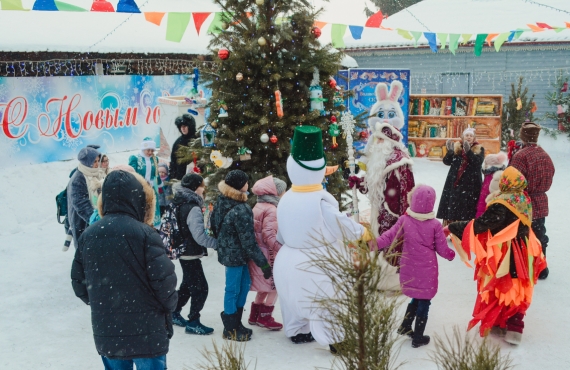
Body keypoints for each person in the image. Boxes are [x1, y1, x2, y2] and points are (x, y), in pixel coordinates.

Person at [274, 126, 371, 352]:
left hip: (287, 260)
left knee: (292, 301)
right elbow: (340, 225)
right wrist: (362, 233)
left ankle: (296, 330)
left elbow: (280, 234)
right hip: (316, 261)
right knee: (327, 301)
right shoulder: (319, 201)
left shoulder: (286, 198)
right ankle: (335, 338)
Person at [71, 170, 178, 370]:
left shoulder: (89, 235)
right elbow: (165, 283)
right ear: (138, 199)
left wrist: (104, 302)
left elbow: (79, 283)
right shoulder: (146, 234)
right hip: (148, 331)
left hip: (108, 332)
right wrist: (168, 307)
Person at [447, 166, 546, 345]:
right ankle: (514, 326)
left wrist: (456, 226)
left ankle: (500, 323)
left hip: (504, 252)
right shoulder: (523, 199)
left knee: (501, 284)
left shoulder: (502, 202)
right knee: (518, 286)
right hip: (523, 250)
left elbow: (483, 224)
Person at [373, 185, 455, 348]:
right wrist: (451, 254)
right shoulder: (435, 225)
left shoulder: (405, 220)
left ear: (413, 200)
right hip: (427, 268)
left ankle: (405, 326)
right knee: (424, 300)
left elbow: (390, 236)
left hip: (409, 265)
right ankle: (418, 336)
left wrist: (374, 244)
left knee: (416, 296)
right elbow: (442, 249)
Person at [210, 170, 272, 341]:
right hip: (235, 256)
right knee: (233, 289)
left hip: (232, 253)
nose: (248, 184)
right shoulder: (241, 209)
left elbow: (214, 225)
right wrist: (264, 264)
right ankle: (230, 328)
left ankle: (236, 323)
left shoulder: (222, 200)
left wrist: (224, 242)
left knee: (244, 285)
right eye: (246, 181)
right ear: (239, 185)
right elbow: (248, 242)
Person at [170, 173, 217, 335]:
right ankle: (193, 321)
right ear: (195, 187)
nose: (204, 189)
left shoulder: (179, 201)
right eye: (202, 186)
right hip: (189, 252)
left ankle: (173, 312)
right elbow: (200, 236)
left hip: (183, 250)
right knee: (201, 288)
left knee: (188, 285)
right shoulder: (193, 207)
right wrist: (217, 244)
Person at [510, 122, 555, 280]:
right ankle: (541, 267)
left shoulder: (521, 156)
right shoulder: (544, 154)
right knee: (539, 234)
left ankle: (521, 267)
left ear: (523, 136)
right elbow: (551, 174)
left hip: (523, 201)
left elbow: (512, 179)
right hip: (541, 200)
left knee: (521, 235)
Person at [247, 176, 287, 331]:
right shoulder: (271, 209)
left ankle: (254, 314)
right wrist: (281, 248)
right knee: (275, 286)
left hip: (260, 252)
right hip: (268, 253)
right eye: (283, 190)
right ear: (275, 192)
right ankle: (265, 316)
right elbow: (269, 235)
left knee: (265, 286)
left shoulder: (259, 205)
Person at [437, 128, 485, 225]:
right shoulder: (457, 148)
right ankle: (452, 226)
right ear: (462, 137)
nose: (469, 137)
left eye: (471, 136)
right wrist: (450, 152)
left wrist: (468, 152)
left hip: (471, 183)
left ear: (474, 138)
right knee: (454, 204)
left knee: (468, 206)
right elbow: (447, 162)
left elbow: (477, 162)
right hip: (455, 182)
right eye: (467, 135)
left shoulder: (479, 149)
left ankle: (466, 226)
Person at [67, 146, 104, 248]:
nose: (97, 164)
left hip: (96, 218)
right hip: (82, 222)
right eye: (94, 161)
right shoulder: (78, 179)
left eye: (98, 161)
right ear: (87, 162)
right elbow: (81, 204)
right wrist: (95, 220)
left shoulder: (97, 173)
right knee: (85, 250)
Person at [129, 137, 162, 228]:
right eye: (148, 150)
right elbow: (132, 174)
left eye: (152, 150)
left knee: (152, 208)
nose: (150, 152)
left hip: (151, 189)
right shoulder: (135, 158)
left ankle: (154, 227)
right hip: (139, 188)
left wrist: (160, 185)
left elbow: (156, 174)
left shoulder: (154, 159)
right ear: (143, 148)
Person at [476, 152, 507, 218]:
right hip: (486, 206)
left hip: (487, 206)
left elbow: (490, 193)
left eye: (486, 163)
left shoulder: (495, 176)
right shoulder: (490, 175)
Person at [170, 114, 197, 180]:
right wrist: (173, 176)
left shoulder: (197, 140)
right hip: (180, 178)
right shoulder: (178, 142)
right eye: (181, 126)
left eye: (185, 126)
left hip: (196, 176)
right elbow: (173, 161)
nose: (183, 128)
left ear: (190, 126)